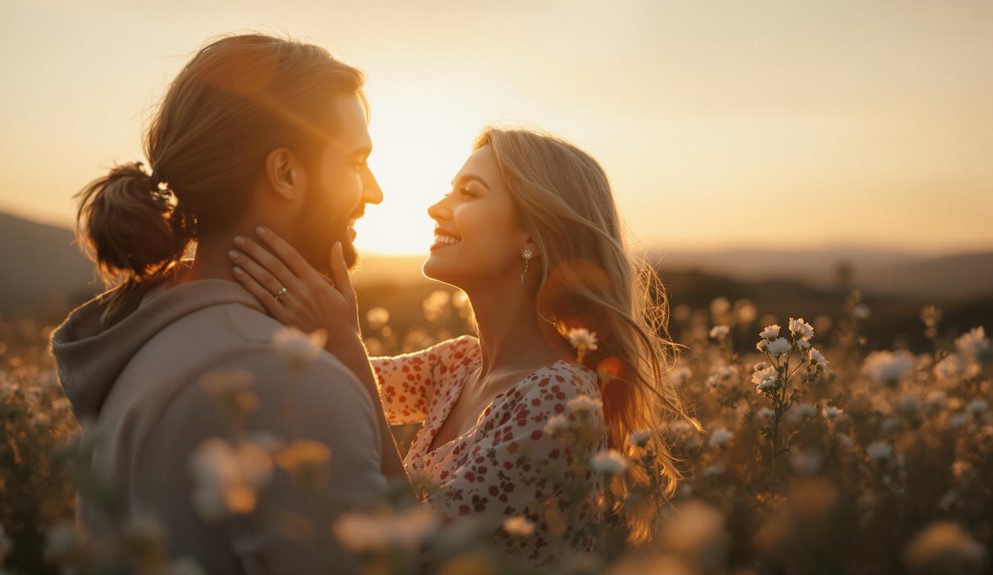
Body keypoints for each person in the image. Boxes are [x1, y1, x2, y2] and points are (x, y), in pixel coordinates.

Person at [229, 126, 691, 565]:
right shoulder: (459, 363)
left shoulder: (560, 398)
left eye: (468, 193)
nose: (436, 208)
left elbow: (424, 555)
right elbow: (324, 378)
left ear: (532, 232)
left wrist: (345, 342)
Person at [50, 33, 405, 574]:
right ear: (285, 172)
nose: (374, 191)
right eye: (357, 160)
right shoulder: (286, 380)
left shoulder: (142, 332)